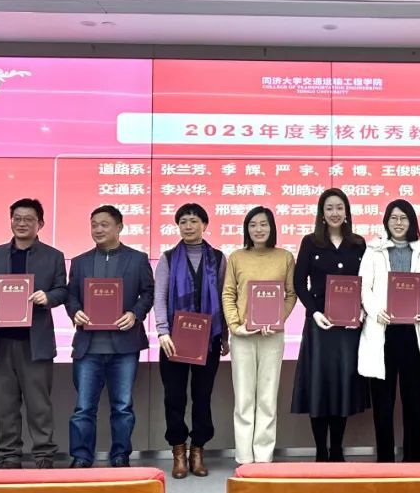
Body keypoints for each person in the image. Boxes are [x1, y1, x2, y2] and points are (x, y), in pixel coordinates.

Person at [0, 198, 67, 469]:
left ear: (41, 224)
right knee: (5, 406)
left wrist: (48, 297)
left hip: (34, 343)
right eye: (17, 218)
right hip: (0, 343)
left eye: (28, 219)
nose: (22, 223)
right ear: (11, 220)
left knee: (39, 405)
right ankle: (9, 456)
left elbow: (62, 290)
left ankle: (44, 455)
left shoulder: (53, 256)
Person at [65, 205, 155, 468]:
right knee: (83, 408)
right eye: (94, 224)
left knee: (123, 407)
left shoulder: (137, 259)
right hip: (88, 347)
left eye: (104, 224)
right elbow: (71, 295)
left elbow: (148, 293)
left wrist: (135, 314)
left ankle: (120, 455)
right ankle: (81, 457)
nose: (98, 229)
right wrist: (75, 311)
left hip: (124, 346)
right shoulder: (80, 262)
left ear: (119, 227)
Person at [291, 188, 369, 461]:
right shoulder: (310, 242)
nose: (335, 213)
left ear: (346, 211)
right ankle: (320, 451)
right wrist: (313, 312)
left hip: (348, 328)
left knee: (341, 386)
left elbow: (367, 282)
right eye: (329, 208)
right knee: (319, 386)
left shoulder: (358, 244)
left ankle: (336, 448)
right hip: (319, 325)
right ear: (321, 213)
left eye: (339, 207)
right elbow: (299, 283)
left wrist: (362, 311)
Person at [155, 203, 229, 478]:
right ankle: (178, 451)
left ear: (204, 225)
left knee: (202, 397)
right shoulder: (167, 258)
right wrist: (162, 331)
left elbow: (223, 297)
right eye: (183, 221)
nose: (188, 226)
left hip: (208, 341)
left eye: (194, 221)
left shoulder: (218, 258)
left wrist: (224, 335)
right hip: (173, 341)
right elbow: (160, 297)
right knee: (174, 398)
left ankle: (197, 450)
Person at [358, 199, 420, 463]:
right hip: (383, 330)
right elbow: (364, 287)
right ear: (386, 222)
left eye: (403, 218)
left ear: (411, 222)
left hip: (412, 332)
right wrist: (375, 311)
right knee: (383, 401)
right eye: (394, 218)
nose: (398, 223)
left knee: (413, 400)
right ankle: (385, 459)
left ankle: (413, 458)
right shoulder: (373, 250)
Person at [222, 206, 297, 465]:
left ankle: (264, 458)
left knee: (267, 398)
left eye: (263, 224)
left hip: (272, 337)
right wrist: (235, 326)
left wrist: (277, 320)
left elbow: (291, 294)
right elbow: (228, 293)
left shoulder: (285, 257)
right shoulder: (236, 257)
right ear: (247, 229)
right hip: (242, 337)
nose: (258, 229)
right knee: (244, 399)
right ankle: (244, 457)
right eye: (253, 224)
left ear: (272, 227)